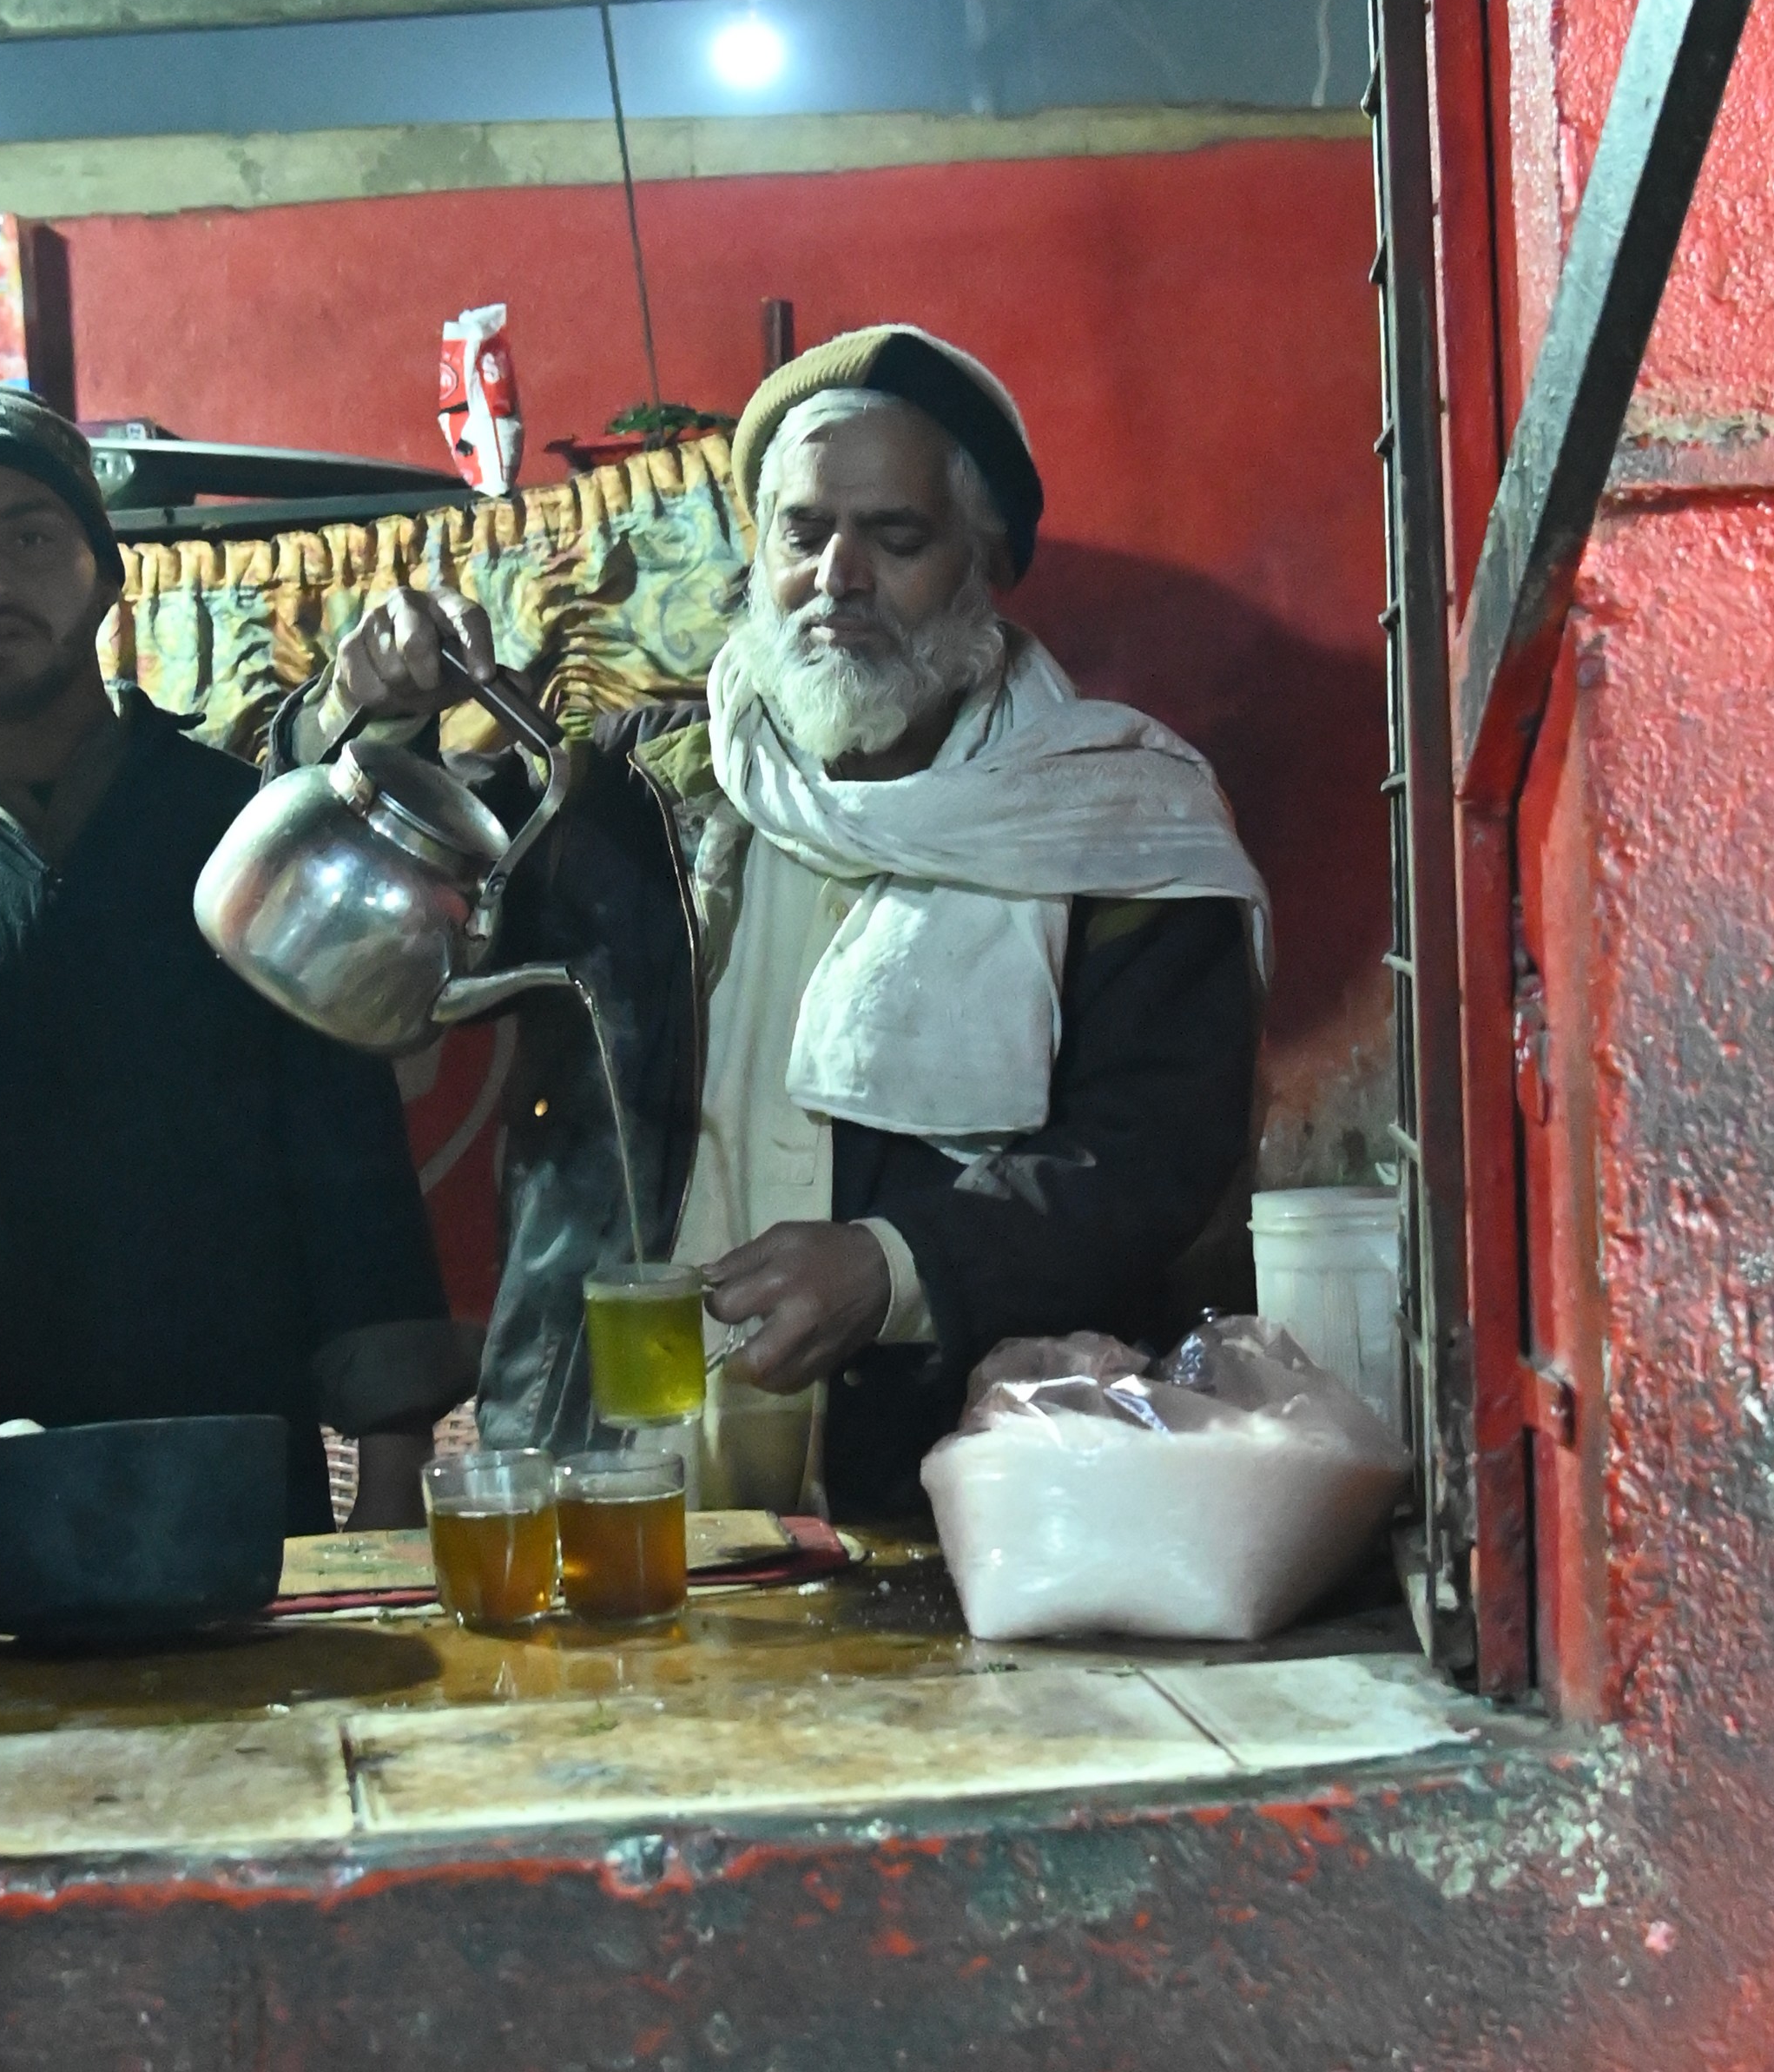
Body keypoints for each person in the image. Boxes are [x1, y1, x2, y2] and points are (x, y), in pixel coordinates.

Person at [293, 326, 1269, 1518]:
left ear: (985, 557)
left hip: (958, 1484)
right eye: (803, 533)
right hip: (609, 1476)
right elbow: (380, 893)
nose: (838, 578)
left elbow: (1153, 1153)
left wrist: (900, 1266)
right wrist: (373, 713)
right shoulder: (625, 795)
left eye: (894, 537)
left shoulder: (1122, 824)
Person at [0, 384, 471, 1535]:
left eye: (28, 534)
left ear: (107, 571)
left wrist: (387, 1482)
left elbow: (346, 1170)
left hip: (231, 1509)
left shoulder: (245, 838)